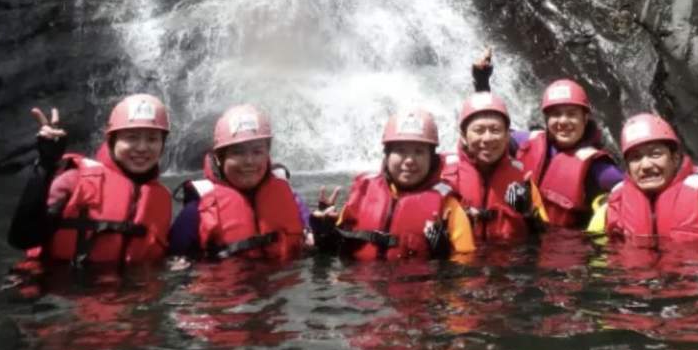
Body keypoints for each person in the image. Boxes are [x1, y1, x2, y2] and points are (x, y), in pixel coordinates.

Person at [7, 93, 173, 266]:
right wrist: (45, 166)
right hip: (60, 287)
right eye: (131, 138)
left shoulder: (162, 198)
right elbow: (22, 238)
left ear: (162, 144)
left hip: (129, 289)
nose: (142, 148)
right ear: (111, 141)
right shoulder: (74, 180)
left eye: (152, 139)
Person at [472, 48, 624, 227]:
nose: (563, 121)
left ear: (585, 118)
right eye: (556, 114)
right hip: (518, 241)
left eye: (571, 114)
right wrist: (482, 84)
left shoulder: (599, 167)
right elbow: (492, 135)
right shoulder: (528, 141)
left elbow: (631, 195)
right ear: (546, 119)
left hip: (560, 247)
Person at [310, 108, 475, 260]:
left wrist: (443, 258)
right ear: (387, 155)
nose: (410, 160)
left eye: (419, 152)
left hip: (418, 288)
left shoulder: (449, 207)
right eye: (400, 151)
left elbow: (465, 269)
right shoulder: (363, 193)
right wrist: (324, 232)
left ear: (432, 159)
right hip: (364, 288)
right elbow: (334, 252)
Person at [169, 104, 309, 260]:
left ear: (267, 154)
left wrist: (325, 230)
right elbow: (172, 264)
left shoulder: (292, 201)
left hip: (283, 282)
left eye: (257, 151)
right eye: (238, 152)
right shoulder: (196, 212)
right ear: (219, 159)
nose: (249, 161)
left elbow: (313, 246)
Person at [589, 113, 698, 245]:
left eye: (655, 154)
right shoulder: (607, 215)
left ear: (675, 159)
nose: (646, 165)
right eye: (636, 158)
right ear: (628, 167)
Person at [439, 92, 548, 243]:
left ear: (507, 135)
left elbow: (545, 238)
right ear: (463, 136)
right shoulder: (443, 178)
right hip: (462, 262)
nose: (487, 138)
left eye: (495, 130)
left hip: (509, 261)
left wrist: (528, 213)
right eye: (479, 130)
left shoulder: (523, 183)